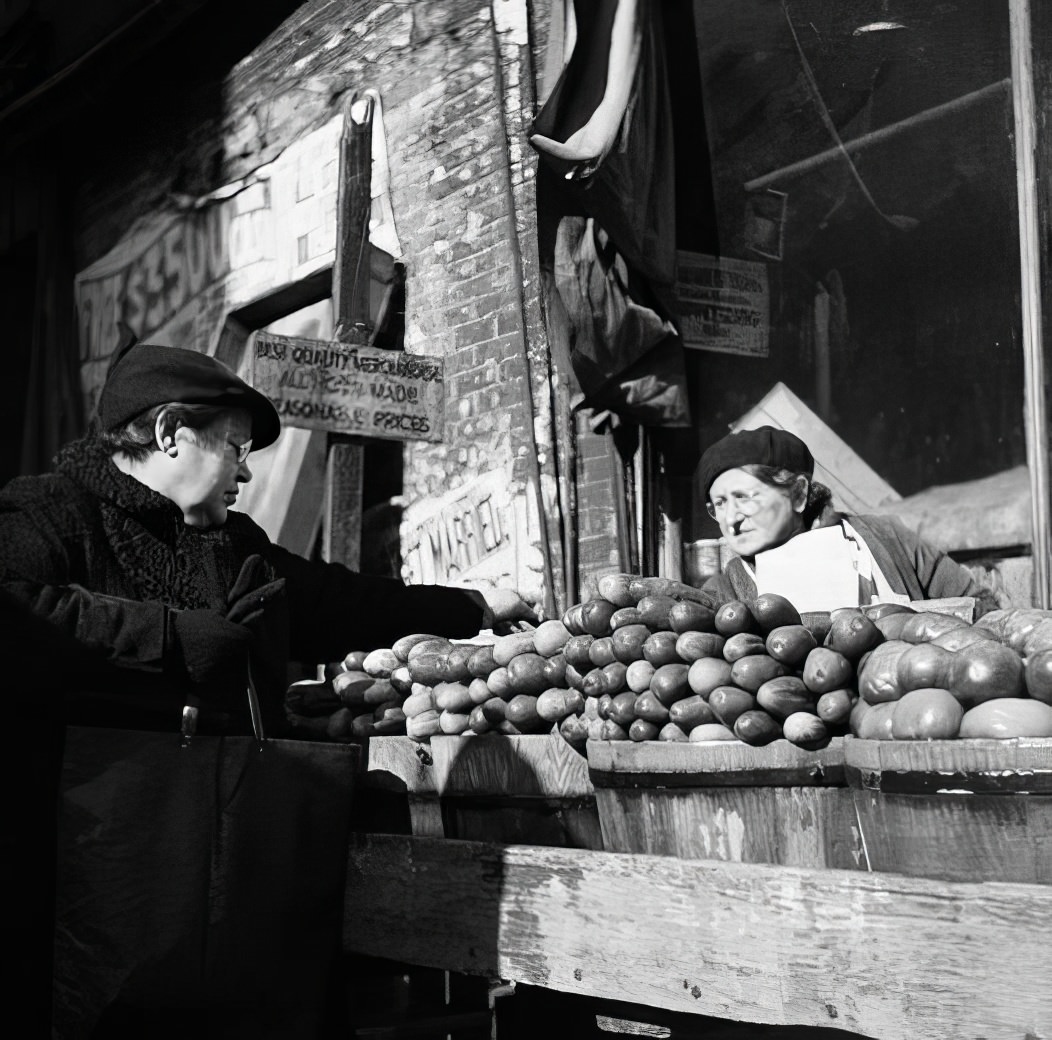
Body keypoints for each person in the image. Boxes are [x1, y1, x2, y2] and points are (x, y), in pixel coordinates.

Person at [0, 336, 536, 1038]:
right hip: (87, 878)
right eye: (234, 447)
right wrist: (167, 636)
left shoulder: (233, 543)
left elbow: (345, 602)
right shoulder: (49, 511)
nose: (245, 473)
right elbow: (17, 609)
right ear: (168, 433)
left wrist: (471, 606)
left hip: (226, 870)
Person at [696, 425, 997, 616]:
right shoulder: (724, 593)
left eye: (745, 497)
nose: (731, 518)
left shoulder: (888, 540)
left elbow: (980, 609)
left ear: (798, 493)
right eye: (719, 504)